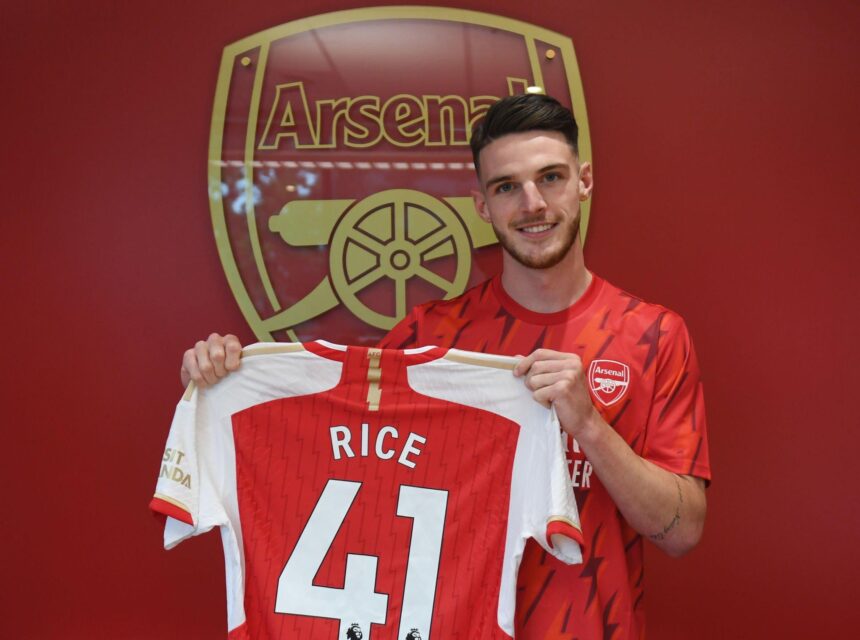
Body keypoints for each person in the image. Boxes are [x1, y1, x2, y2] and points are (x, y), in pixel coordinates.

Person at [180, 94, 710, 639]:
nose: (533, 203)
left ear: (584, 180)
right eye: (507, 186)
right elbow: (331, 459)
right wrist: (225, 381)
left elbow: (682, 530)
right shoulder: (425, 337)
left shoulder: (653, 335)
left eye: (550, 177)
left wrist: (590, 427)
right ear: (482, 206)